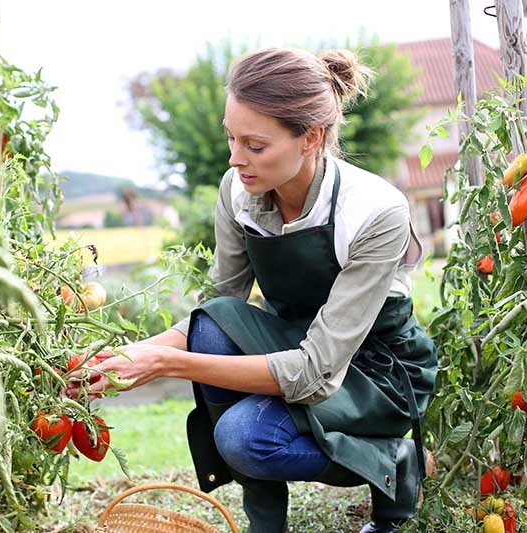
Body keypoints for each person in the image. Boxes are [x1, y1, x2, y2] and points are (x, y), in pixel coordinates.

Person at [68, 47, 438, 533]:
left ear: (311, 138)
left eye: (255, 146)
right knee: (216, 321)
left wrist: (166, 365)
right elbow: (220, 312)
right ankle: (266, 525)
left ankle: (395, 460)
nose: (234, 158)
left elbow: (315, 372)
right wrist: (123, 356)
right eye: (230, 138)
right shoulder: (237, 192)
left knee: (243, 439)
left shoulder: (374, 211)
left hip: (373, 370)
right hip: (292, 338)